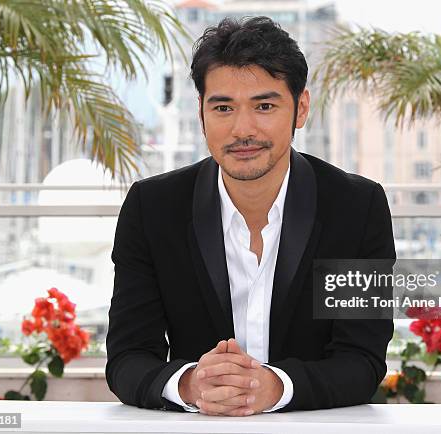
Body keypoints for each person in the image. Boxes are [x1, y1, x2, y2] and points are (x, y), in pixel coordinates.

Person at [106, 16, 395, 416]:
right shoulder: (152, 207)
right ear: (202, 113)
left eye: (264, 106)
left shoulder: (356, 207)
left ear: (301, 108)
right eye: (223, 107)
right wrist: (191, 384)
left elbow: (361, 361)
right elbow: (127, 358)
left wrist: (276, 387)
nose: (243, 129)